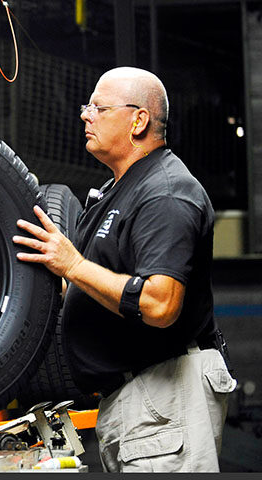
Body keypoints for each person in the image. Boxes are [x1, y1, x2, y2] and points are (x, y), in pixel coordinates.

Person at [12, 66, 236, 472]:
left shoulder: (166, 192)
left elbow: (161, 304)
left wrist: (74, 265)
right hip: (132, 399)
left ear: (138, 120)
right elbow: (91, 286)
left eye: (98, 107)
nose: (85, 115)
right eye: (87, 107)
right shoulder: (118, 192)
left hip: (165, 394)